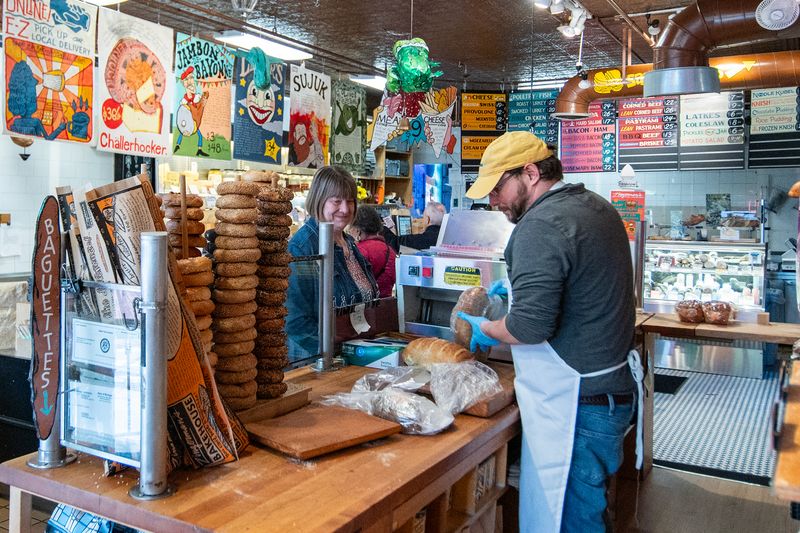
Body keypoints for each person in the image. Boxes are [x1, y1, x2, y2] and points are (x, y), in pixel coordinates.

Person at [457, 131, 643, 533]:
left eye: (497, 189)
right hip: (609, 391)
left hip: (577, 403)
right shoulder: (595, 206)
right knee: (588, 511)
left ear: (529, 173)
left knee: (570, 521)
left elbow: (530, 327)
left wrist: (487, 328)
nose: (493, 201)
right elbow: (573, 286)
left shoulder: (539, 225)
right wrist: (520, 293)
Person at [285, 166, 379, 361]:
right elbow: (296, 321)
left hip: (352, 355)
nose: (345, 209)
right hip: (317, 361)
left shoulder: (350, 243)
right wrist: (329, 356)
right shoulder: (303, 249)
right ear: (319, 200)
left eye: (350, 201)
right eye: (336, 201)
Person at [350, 206, 397, 298]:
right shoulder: (390, 251)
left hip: (365, 307)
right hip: (386, 305)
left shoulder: (359, 251)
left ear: (358, 230)